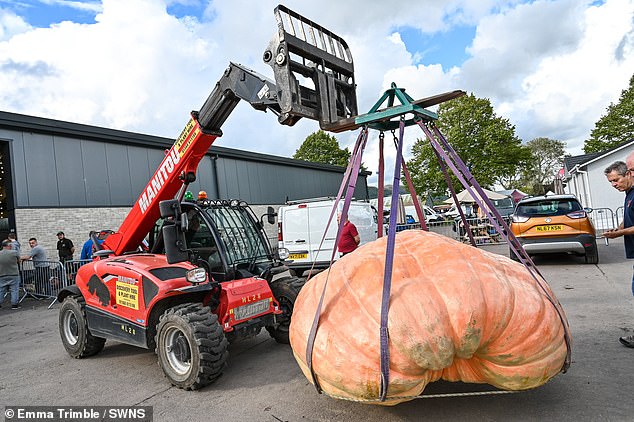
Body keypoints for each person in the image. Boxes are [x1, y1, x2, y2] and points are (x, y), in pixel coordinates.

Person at [603, 158, 634, 348]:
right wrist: (618, 228)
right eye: (611, 182)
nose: (614, 185)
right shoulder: (628, 194)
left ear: (628, 174)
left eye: (616, 180)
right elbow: (629, 219)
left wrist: (620, 234)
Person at [0, 239, 21, 309]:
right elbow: (19, 261)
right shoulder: (14, 252)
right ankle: (14, 305)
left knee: (1, 290)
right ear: (9, 245)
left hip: (2, 274)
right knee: (14, 290)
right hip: (13, 274)